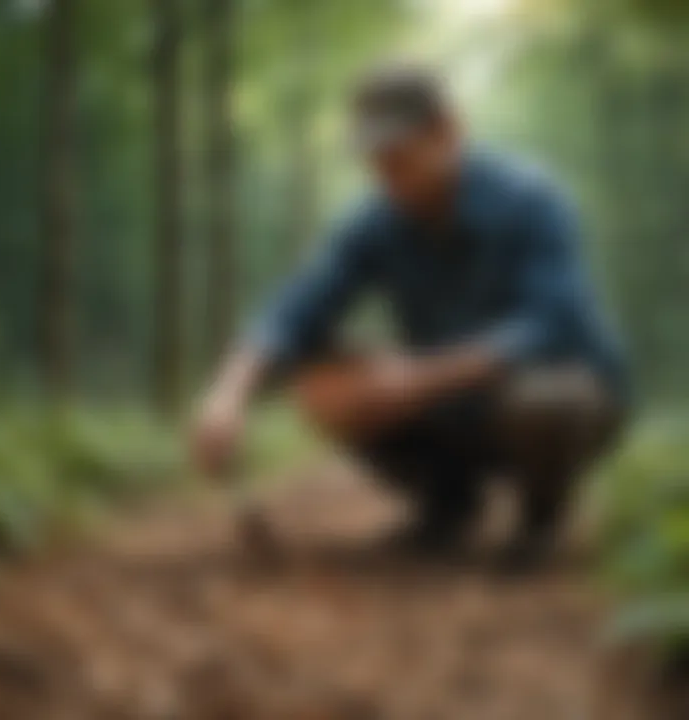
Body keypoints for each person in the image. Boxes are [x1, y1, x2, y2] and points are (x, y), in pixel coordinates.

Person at [192, 64, 628, 562]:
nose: (385, 173)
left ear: (447, 131)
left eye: (397, 155)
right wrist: (228, 393)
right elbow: (298, 307)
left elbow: (555, 323)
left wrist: (417, 378)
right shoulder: (377, 220)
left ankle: (541, 520)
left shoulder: (533, 199)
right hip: (451, 403)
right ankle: (446, 505)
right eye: (374, 159)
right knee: (324, 374)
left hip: (559, 398)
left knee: (548, 399)